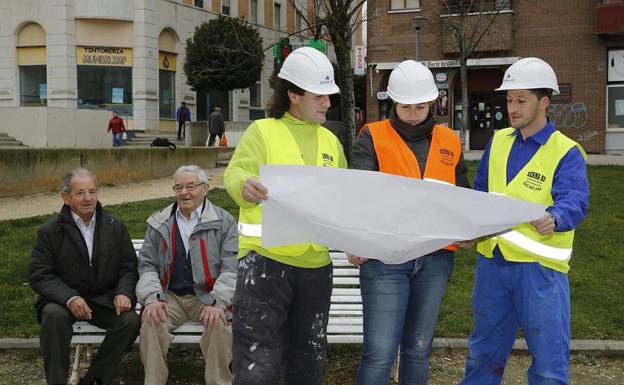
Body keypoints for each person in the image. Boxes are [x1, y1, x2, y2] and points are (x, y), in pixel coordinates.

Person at [458, 57, 589, 385]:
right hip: (492, 266)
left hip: (540, 273)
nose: (511, 108)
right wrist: (472, 230)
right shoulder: (499, 141)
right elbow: (481, 195)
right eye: (508, 100)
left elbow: (575, 199)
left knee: (547, 363)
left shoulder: (566, 151)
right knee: (483, 354)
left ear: (544, 102)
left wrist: (557, 217)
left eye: (521, 100)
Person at [223, 46, 347, 385]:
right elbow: (234, 175)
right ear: (292, 94)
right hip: (265, 264)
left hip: (315, 268)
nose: (327, 103)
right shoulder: (262, 132)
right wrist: (244, 185)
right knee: (256, 366)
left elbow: (343, 200)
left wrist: (353, 237)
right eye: (319, 96)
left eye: (329, 96)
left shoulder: (331, 142)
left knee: (308, 364)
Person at [348, 60, 470, 385]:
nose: (413, 113)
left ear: (432, 102)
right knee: (380, 353)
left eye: (420, 106)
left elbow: (463, 197)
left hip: (435, 259)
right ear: (393, 103)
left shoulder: (450, 141)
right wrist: (355, 241)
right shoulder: (372, 136)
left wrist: (469, 229)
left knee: (417, 349)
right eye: (406, 106)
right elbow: (357, 196)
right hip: (385, 260)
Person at [29, 168, 140, 385]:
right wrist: (70, 298)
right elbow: (39, 274)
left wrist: (123, 293)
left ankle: (94, 379)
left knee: (129, 321)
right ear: (66, 197)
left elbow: (128, 267)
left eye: (92, 191)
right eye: (80, 193)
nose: (88, 198)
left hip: (101, 299)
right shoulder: (50, 231)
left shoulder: (115, 227)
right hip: (62, 301)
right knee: (53, 316)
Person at [136, 164, 238, 385]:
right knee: (151, 320)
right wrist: (153, 298)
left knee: (218, 323)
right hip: (170, 296)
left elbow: (232, 268)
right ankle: (153, 381)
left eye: (190, 186)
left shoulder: (224, 222)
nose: (184, 193)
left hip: (207, 296)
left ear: (205, 188)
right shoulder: (160, 222)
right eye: (179, 187)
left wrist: (218, 302)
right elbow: (147, 265)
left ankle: (219, 382)